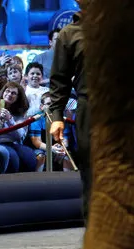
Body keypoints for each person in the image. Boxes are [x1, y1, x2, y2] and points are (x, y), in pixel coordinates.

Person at [49, 1, 90, 219]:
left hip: (128, 112)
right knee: (92, 176)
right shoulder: (68, 34)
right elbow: (59, 81)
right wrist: (57, 116)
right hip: (89, 111)